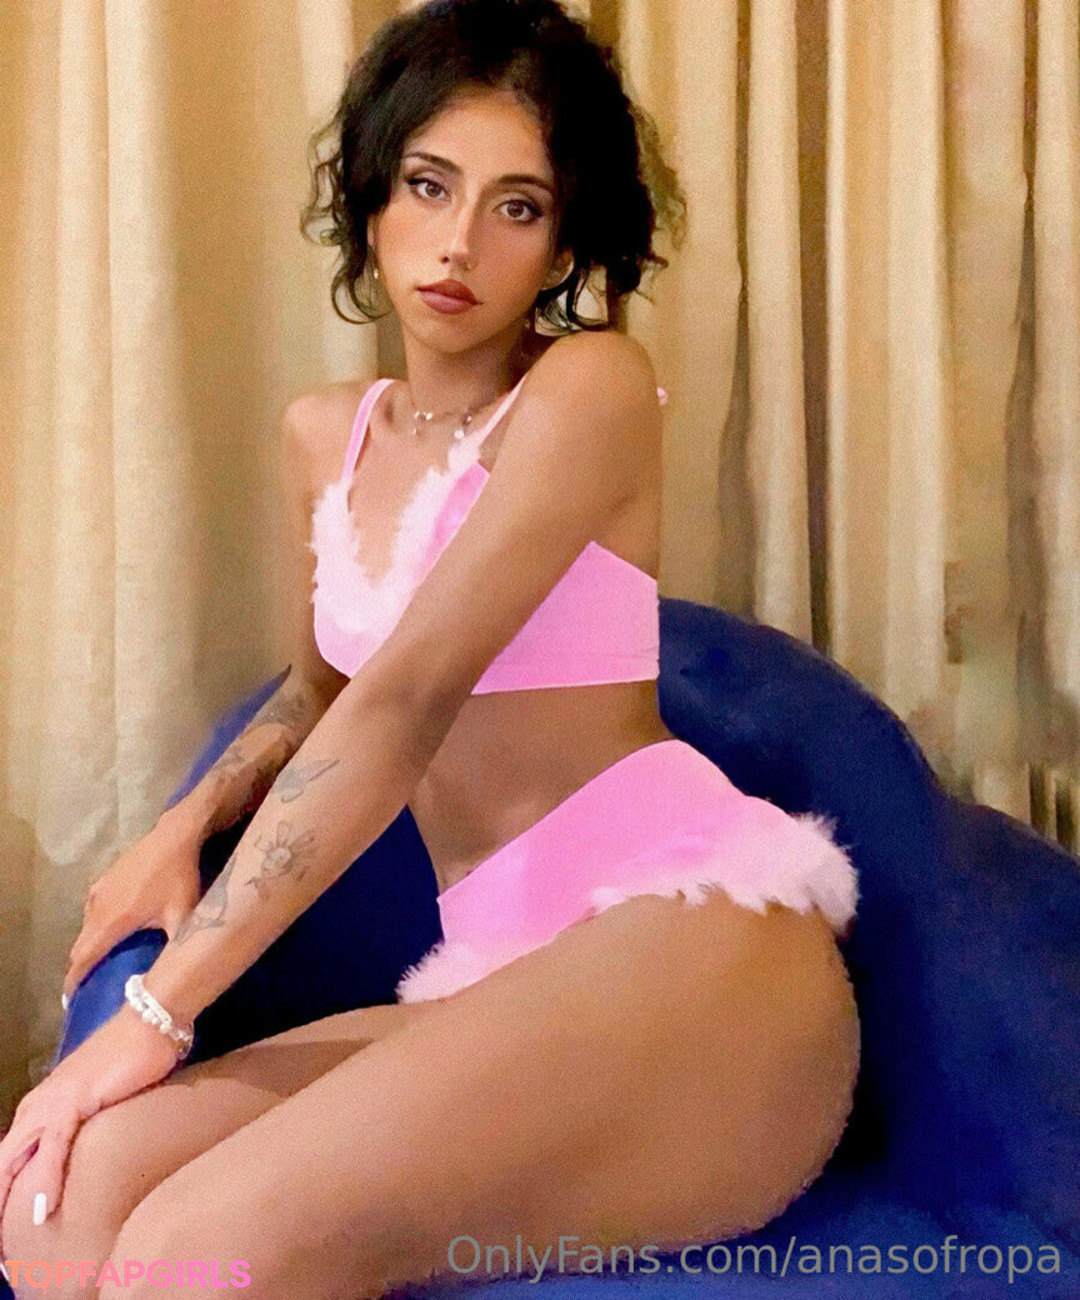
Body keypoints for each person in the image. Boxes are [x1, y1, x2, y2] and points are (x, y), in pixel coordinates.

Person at [0, 1, 860, 1295]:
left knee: (190, 1260)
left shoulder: (592, 389)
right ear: (371, 196)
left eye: (518, 206)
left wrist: (162, 1007)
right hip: (497, 975)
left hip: (695, 946)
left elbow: (402, 703)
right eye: (428, 184)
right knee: (53, 1212)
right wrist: (181, 827)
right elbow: (321, 691)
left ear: (566, 240)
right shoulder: (324, 435)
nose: (460, 242)